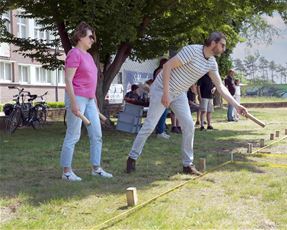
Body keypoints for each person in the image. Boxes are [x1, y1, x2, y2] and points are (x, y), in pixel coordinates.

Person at [125, 32, 248, 175]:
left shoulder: (211, 63)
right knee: (150, 125)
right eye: (222, 45)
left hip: (179, 93)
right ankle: (132, 157)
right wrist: (165, 93)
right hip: (161, 89)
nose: (224, 49)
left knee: (189, 125)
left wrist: (236, 105)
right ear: (213, 43)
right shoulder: (192, 51)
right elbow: (167, 67)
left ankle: (187, 165)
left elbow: (220, 86)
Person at [60, 22, 113, 181]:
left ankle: (96, 168)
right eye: (90, 36)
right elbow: (68, 80)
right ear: (80, 36)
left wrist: (95, 103)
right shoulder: (74, 54)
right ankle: (66, 172)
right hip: (77, 98)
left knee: (97, 134)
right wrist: (74, 103)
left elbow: (91, 82)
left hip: (90, 100)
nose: (93, 40)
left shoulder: (89, 56)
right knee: (73, 135)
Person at [153, 58, 170, 139]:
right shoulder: (160, 71)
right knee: (162, 114)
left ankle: (160, 130)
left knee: (163, 113)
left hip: (162, 94)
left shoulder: (160, 70)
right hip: (160, 94)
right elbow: (160, 83)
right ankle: (160, 131)